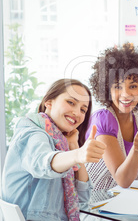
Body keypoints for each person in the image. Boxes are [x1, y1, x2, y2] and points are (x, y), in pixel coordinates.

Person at [1, 79, 106, 221]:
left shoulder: (61, 141)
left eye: (83, 110)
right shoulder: (32, 132)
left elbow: (83, 197)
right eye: (71, 102)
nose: (76, 112)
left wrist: (74, 145)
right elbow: (43, 162)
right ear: (49, 102)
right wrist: (77, 154)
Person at [85, 43, 138, 194]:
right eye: (118, 87)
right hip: (96, 205)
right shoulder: (103, 120)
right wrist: (137, 149)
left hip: (128, 199)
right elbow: (123, 180)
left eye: (132, 86)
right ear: (107, 89)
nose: (125, 94)